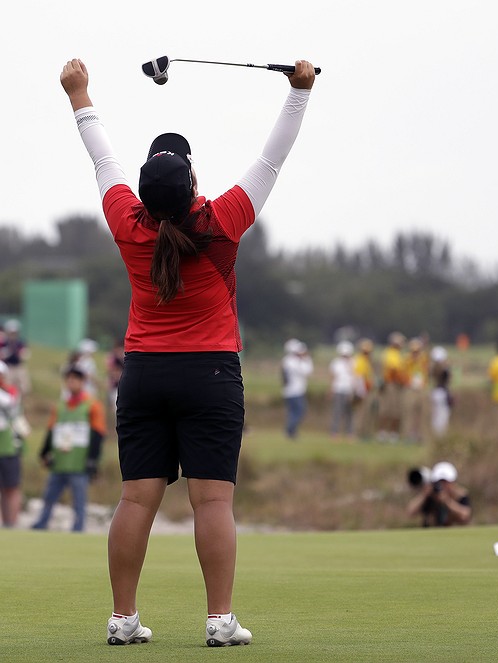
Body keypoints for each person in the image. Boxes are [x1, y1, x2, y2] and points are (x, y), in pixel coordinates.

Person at [61, 56, 315, 645]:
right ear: (194, 184)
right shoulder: (221, 220)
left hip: (144, 373)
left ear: (145, 193)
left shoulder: (128, 221)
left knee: (134, 499)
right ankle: (219, 621)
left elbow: (103, 158)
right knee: (212, 502)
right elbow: (272, 157)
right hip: (211, 374)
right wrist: (300, 92)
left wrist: (79, 94)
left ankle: (123, 620)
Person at [32, 365, 106, 532]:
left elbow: (98, 434)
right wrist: (44, 452)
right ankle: (42, 523)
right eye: (69, 379)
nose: (71, 382)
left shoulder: (92, 406)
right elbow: (51, 431)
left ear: (82, 382)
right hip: (60, 460)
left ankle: (78, 528)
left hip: (79, 462)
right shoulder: (60, 406)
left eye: (75, 379)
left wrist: (93, 460)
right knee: (49, 496)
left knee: (79, 499)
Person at [406, 461, 472, 527]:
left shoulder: (459, 495)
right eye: (439, 481)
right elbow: (410, 512)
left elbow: (465, 515)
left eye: (445, 482)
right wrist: (424, 495)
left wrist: (447, 501)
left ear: (452, 482)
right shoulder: (430, 495)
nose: (442, 485)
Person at [0, 361, 22, 527]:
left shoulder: (10, 393)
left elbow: (13, 410)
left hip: (8, 446)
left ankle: (11, 524)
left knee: (11, 487)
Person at [377, 332, 407, 442]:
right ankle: (384, 433)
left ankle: (392, 433)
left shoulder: (398, 354)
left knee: (395, 410)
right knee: (388, 410)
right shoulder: (391, 354)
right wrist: (403, 381)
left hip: (396, 385)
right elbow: (393, 371)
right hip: (391, 384)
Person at [281, 339, 314, 439]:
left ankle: (292, 432)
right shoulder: (293, 362)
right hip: (295, 391)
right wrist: (306, 358)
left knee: (293, 412)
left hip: (290, 391)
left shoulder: (287, 360)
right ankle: (289, 429)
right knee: (300, 411)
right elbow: (307, 371)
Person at [401, 337, 430, 443]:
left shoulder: (423, 359)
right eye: (414, 351)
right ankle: (408, 435)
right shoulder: (407, 360)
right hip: (410, 388)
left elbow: (427, 366)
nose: (415, 354)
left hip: (421, 388)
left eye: (417, 351)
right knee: (409, 412)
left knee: (422, 413)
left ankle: (421, 435)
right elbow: (403, 372)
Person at [328, 341, 356, 439]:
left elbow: (355, 377)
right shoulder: (336, 363)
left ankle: (350, 433)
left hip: (349, 390)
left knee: (350, 413)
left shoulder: (354, 362)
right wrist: (331, 390)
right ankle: (334, 432)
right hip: (338, 389)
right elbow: (333, 377)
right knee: (337, 412)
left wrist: (354, 390)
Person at [353, 338, 377, 440]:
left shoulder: (367, 361)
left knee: (367, 413)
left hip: (368, 390)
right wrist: (361, 392)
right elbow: (359, 377)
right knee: (361, 414)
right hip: (363, 391)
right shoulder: (360, 360)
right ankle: (359, 433)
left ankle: (365, 433)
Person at [0, 319, 31, 395]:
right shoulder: (4, 342)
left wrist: (23, 354)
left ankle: (21, 403)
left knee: (24, 387)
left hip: (19, 366)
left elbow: (25, 352)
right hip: (9, 367)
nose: (13, 334)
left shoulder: (20, 342)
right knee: (8, 386)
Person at [430, 346, 452, 437]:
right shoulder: (443, 369)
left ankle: (437, 434)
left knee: (436, 414)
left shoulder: (432, 368)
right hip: (441, 392)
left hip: (435, 392)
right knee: (442, 415)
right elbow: (448, 378)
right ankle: (440, 435)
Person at [106, 337, 125, 415]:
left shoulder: (126, 359)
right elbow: (111, 372)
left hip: (124, 386)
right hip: (115, 387)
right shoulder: (113, 359)